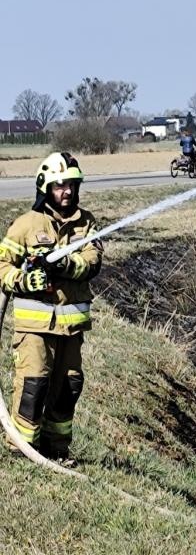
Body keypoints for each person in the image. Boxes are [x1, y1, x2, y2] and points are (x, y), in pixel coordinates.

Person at [0, 153, 103, 461]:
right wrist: (24, 280)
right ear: (45, 187)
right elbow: (2, 265)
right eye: (60, 186)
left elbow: (93, 261)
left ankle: (56, 449)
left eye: (72, 185)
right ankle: (21, 449)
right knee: (34, 385)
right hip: (34, 329)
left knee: (68, 386)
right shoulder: (26, 225)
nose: (67, 191)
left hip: (71, 329)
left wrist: (65, 264)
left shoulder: (86, 223)